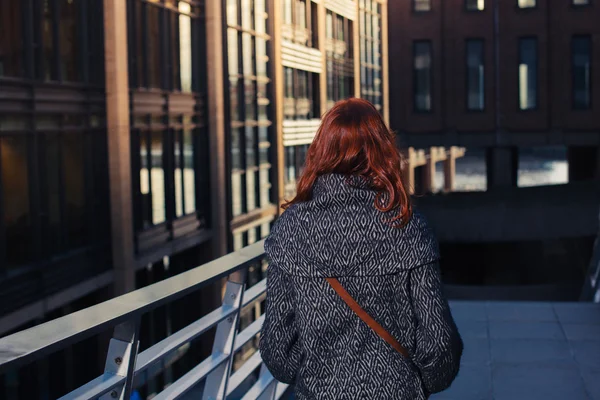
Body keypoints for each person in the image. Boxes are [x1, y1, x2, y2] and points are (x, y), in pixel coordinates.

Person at [259, 98, 463, 399]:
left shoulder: (292, 228)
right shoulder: (407, 226)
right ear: (382, 151)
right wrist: (416, 383)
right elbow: (439, 341)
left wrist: (318, 374)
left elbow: (277, 347)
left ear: (321, 151)